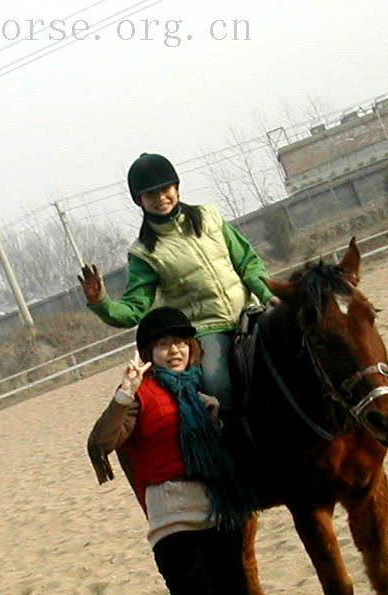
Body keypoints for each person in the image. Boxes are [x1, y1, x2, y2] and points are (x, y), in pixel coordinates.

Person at [87, 306, 296, 595]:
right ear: (148, 353)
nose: (175, 349)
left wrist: (214, 416)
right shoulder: (139, 396)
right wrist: (123, 393)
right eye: (164, 344)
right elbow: (101, 442)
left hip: (219, 514)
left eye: (180, 341)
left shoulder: (199, 391)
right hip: (175, 526)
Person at [79, 152, 278, 411]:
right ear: (140, 200)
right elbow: (134, 310)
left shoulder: (210, 217)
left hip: (250, 311)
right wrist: (101, 302)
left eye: (165, 190)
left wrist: (267, 295)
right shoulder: (144, 253)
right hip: (207, 330)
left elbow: (248, 262)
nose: (161, 198)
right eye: (151, 195)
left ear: (176, 187)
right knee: (217, 386)